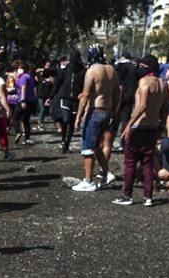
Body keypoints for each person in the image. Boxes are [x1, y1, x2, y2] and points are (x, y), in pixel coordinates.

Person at [113, 55, 169, 207]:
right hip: (153, 126)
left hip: (139, 126)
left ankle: (127, 195)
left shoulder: (144, 82)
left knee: (130, 162)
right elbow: (165, 108)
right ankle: (148, 196)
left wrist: (129, 124)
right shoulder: (164, 84)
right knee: (147, 162)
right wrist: (162, 126)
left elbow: (142, 105)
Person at [71, 45, 119, 192]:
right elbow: (118, 92)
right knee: (97, 145)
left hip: (95, 111)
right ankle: (106, 173)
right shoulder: (112, 70)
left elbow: (85, 95)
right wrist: (114, 112)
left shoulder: (92, 71)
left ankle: (88, 181)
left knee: (88, 147)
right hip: (108, 111)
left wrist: (78, 117)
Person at [53, 49, 85, 153]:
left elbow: (85, 84)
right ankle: (63, 140)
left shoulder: (82, 70)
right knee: (65, 119)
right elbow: (58, 82)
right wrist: (51, 96)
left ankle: (67, 143)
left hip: (76, 99)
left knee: (71, 122)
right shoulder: (66, 69)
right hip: (65, 98)